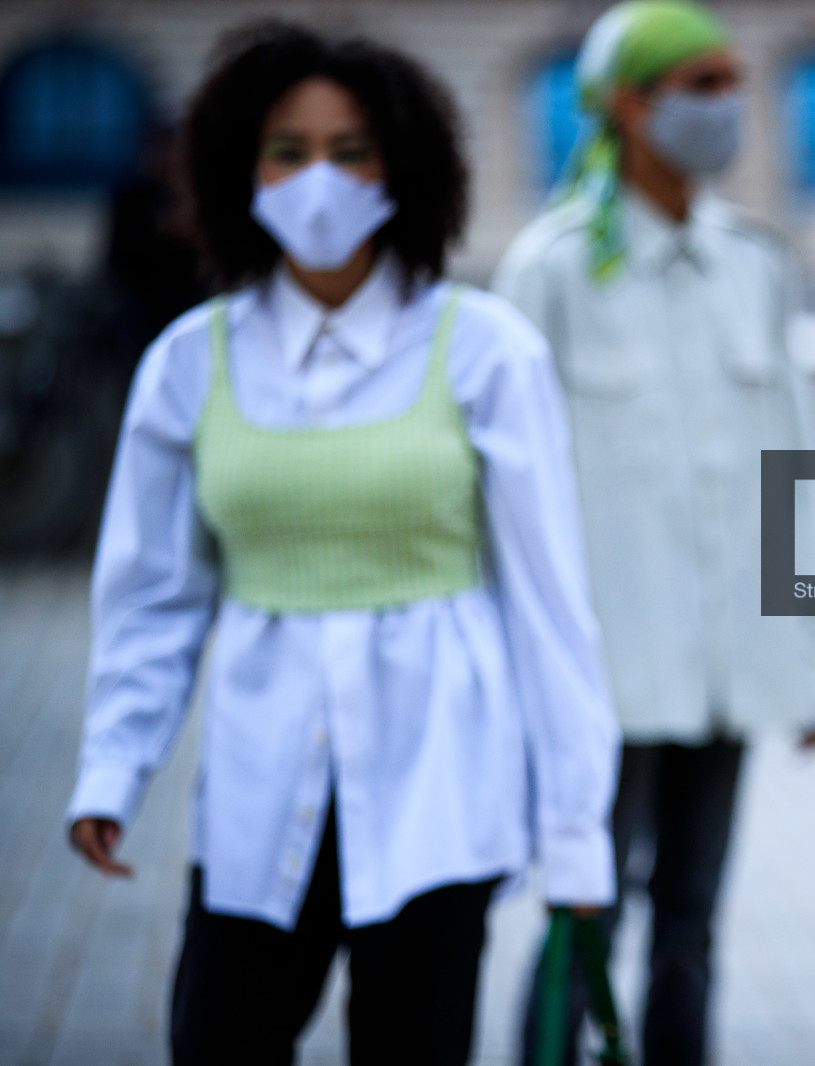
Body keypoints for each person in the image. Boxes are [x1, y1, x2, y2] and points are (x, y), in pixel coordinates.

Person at [64, 22, 618, 1066]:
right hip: (252, 792)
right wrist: (112, 768)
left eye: (351, 148)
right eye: (288, 148)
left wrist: (574, 834)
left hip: (440, 798)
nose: (320, 177)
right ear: (240, 169)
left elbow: (550, 606)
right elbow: (151, 596)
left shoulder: (485, 350)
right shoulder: (189, 363)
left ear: (404, 167)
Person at [492, 3, 815, 1063]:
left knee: (693, 921)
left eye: (733, 81)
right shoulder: (548, 270)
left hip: (727, 670)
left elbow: (799, 455)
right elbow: (506, 491)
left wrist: (810, 665)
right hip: (602, 675)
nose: (726, 104)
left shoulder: (754, 262)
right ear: (627, 106)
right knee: (583, 906)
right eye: (700, 83)